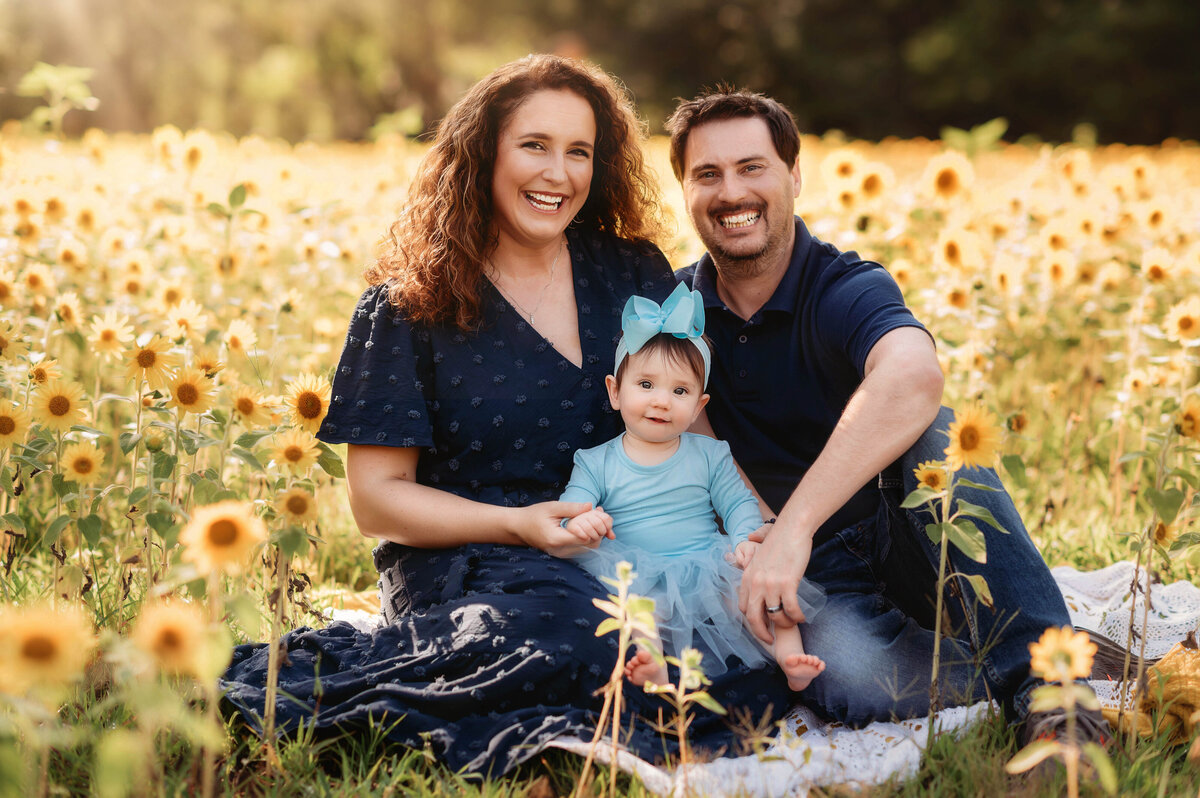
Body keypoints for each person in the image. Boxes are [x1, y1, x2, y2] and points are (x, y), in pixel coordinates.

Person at [220, 56, 793, 777]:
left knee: (766, 643)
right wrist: (516, 526)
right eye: (534, 146)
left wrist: (760, 530)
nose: (558, 173)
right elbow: (375, 502)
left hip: (622, 537)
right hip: (466, 556)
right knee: (583, 640)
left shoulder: (630, 273)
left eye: (578, 152)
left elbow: (688, 422)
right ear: (483, 152)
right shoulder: (408, 302)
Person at [664, 88, 1110, 746]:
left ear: (793, 175)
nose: (731, 192)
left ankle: (1056, 693)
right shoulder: (676, 309)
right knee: (849, 680)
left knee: (940, 438)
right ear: (685, 190)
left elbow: (914, 374)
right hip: (808, 581)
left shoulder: (844, 284)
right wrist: (766, 534)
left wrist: (795, 527)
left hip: (909, 535)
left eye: (752, 167)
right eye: (708, 174)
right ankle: (1034, 649)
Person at [557, 283, 827, 691]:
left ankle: (789, 657)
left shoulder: (709, 454)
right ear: (615, 392)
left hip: (705, 559)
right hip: (637, 566)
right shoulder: (596, 461)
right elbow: (569, 510)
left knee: (757, 589)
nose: (661, 401)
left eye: (679, 390)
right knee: (640, 608)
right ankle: (652, 667)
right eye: (645, 385)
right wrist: (582, 522)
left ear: (699, 405)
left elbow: (737, 503)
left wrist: (744, 539)